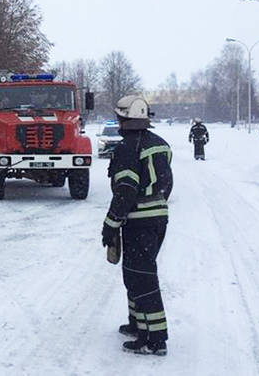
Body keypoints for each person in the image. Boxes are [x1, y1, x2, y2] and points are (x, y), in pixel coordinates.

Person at [101, 95, 172, 356]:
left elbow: (126, 190)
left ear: (125, 120)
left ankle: (154, 339)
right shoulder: (160, 144)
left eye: (120, 118)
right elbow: (166, 183)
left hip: (138, 220)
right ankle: (137, 324)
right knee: (136, 273)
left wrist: (110, 223)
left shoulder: (127, 148)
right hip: (158, 218)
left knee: (141, 277)